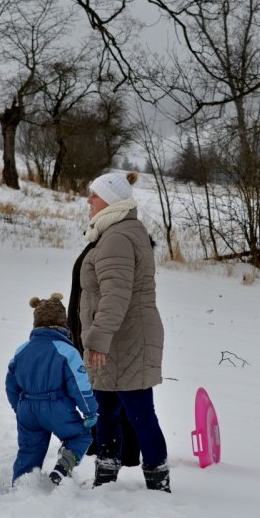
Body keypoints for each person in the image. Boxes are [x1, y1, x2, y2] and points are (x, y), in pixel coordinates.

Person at [78, 171, 170, 492]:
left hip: (125, 339)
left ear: (111, 200)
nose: (89, 200)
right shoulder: (119, 231)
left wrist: (98, 339)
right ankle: (106, 477)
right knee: (107, 412)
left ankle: (158, 482)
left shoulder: (117, 237)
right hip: (118, 338)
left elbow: (115, 295)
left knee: (140, 413)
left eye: (94, 194)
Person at [6, 293, 98, 485]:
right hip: (56, 407)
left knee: (29, 450)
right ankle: (61, 470)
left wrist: (19, 407)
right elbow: (79, 385)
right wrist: (90, 411)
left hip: (27, 409)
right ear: (63, 323)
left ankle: (21, 485)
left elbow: (11, 385)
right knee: (80, 435)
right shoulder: (66, 350)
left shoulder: (21, 350)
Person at [68, 240, 142, 469]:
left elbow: (114, 299)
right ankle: (101, 446)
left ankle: (126, 453)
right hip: (90, 334)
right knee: (99, 392)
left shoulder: (116, 249)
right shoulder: (96, 248)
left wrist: (99, 335)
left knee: (121, 394)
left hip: (108, 337)